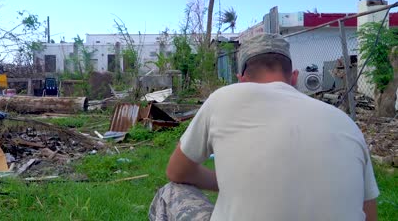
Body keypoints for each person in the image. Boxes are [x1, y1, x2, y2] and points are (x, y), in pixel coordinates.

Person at [149, 33, 379, 221]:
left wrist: (228, 182)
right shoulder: (346, 124)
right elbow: (369, 214)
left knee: (169, 193)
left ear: (241, 80)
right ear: (295, 78)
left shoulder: (224, 99)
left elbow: (177, 171)